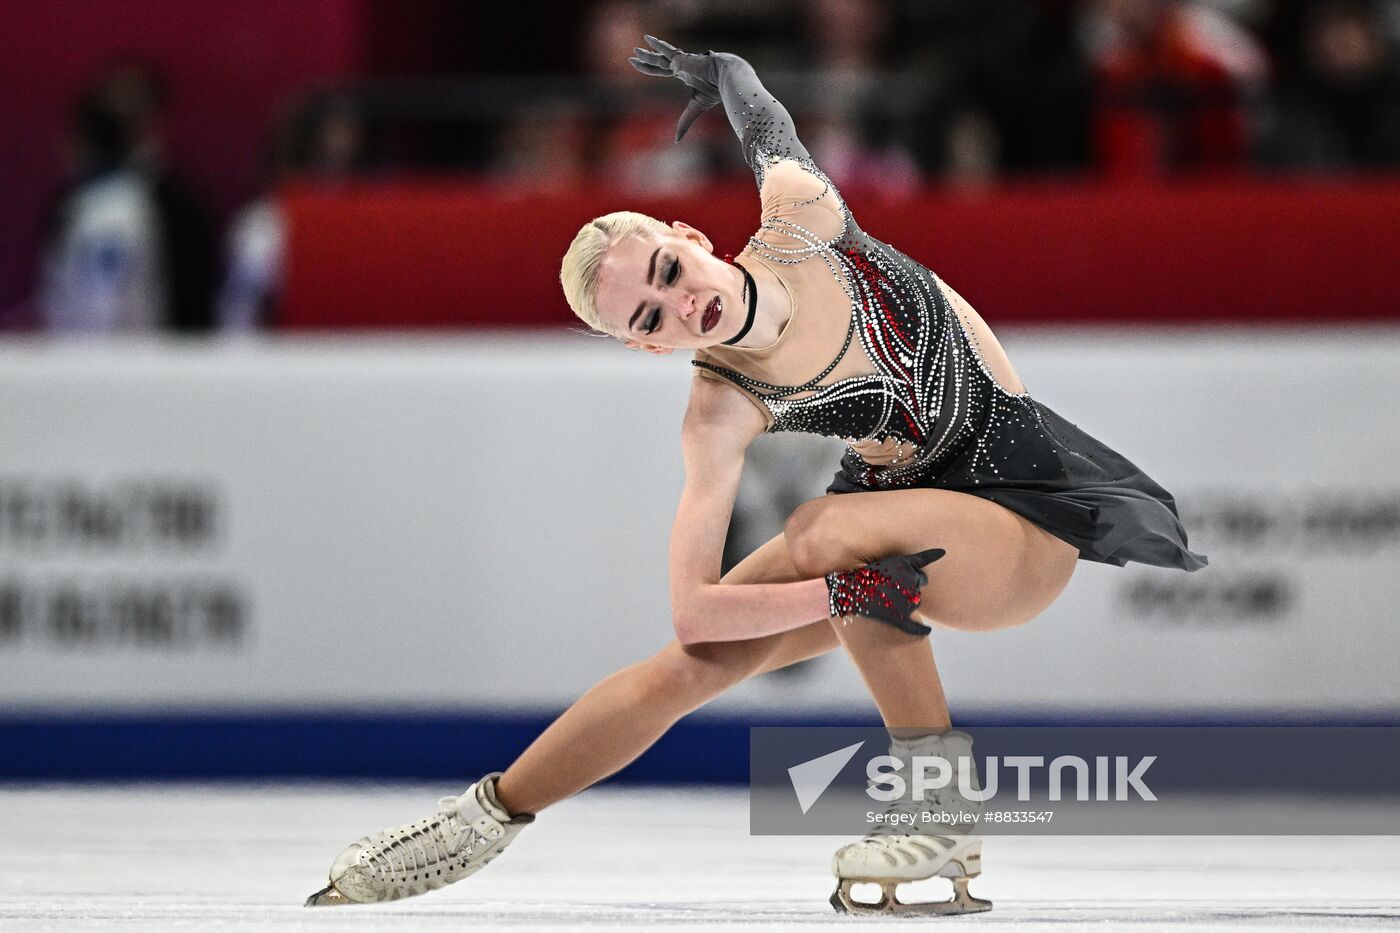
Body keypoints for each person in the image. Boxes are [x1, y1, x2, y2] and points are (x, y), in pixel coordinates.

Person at [306, 36, 1207, 916]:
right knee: (690, 665)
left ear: (691, 235)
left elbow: (764, 122)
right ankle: (485, 816)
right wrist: (844, 594)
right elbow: (695, 611)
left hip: (1024, 521)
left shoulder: (804, 217)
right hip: (897, 530)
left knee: (820, 530)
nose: (681, 297)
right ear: (652, 344)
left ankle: (939, 800)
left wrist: (727, 70)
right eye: (654, 314)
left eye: (667, 268)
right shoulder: (718, 410)